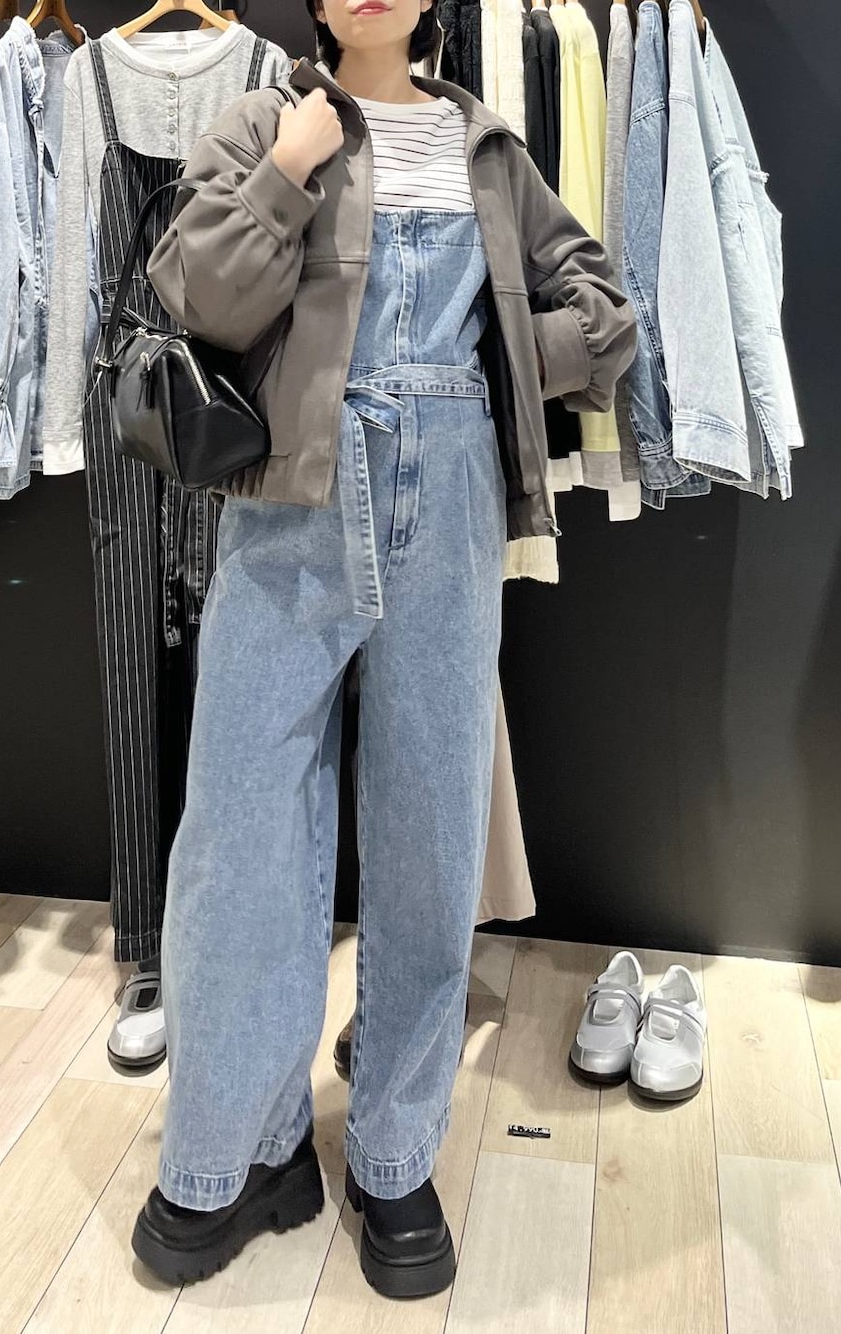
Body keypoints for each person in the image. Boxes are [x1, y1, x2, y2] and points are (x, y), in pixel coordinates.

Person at [133, 0, 636, 1302]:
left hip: (451, 494)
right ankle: (237, 1155)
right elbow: (199, 296)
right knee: (240, 829)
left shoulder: (489, 146)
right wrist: (289, 170)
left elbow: (607, 308)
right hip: (287, 505)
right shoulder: (263, 119)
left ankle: (396, 1152)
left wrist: (506, 360)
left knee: (430, 827)